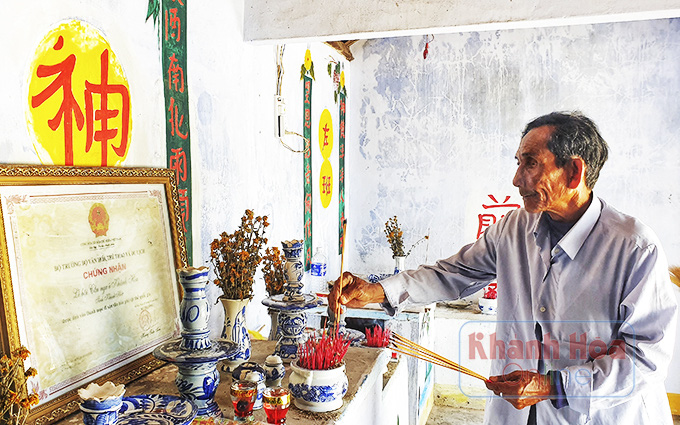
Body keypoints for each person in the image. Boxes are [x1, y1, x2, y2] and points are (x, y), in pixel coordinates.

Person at [328, 111, 678, 424]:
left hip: (601, 414)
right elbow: (455, 274)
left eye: (530, 164)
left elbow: (645, 356)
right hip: (521, 413)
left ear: (574, 172)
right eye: (518, 162)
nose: (516, 179)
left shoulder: (633, 247)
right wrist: (377, 291)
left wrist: (554, 385)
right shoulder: (515, 227)